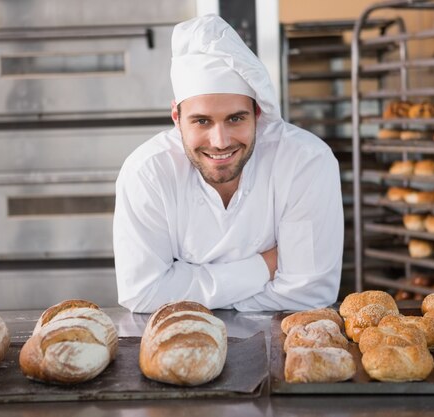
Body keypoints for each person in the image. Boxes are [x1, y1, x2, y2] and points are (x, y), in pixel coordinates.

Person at [113, 14, 343, 313]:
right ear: (176, 118)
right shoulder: (147, 173)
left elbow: (309, 294)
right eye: (202, 121)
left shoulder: (305, 162)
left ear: (257, 114)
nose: (220, 141)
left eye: (235, 118)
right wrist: (264, 266)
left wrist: (182, 289)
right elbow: (142, 294)